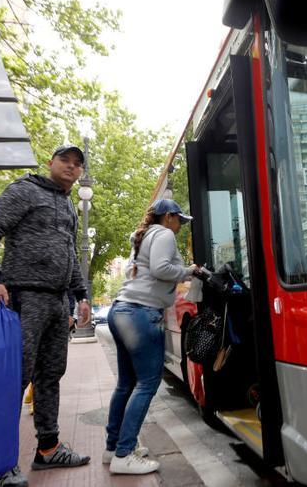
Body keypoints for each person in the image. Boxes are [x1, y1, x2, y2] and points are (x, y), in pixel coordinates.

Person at [0, 144, 92, 487]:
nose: (71, 167)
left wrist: (82, 295)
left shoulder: (68, 204)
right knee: (15, 377)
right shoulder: (25, 190)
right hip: (24, 297)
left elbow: (70, 253)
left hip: (58, 302)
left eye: (77, 164)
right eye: (65, 161)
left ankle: (48, 447)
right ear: (50, 163)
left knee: (51, 375)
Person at [104, 198, 198, 474]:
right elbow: (161, 269)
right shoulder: (164, 234)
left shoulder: (143, 236)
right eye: (180, 220)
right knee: (147, 383)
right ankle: (124, 454)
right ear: (168, 217)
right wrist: (189, 271)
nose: (180, 226)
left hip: (120, 310)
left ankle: (113, 448)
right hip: (142, 313)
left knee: (125, 384)